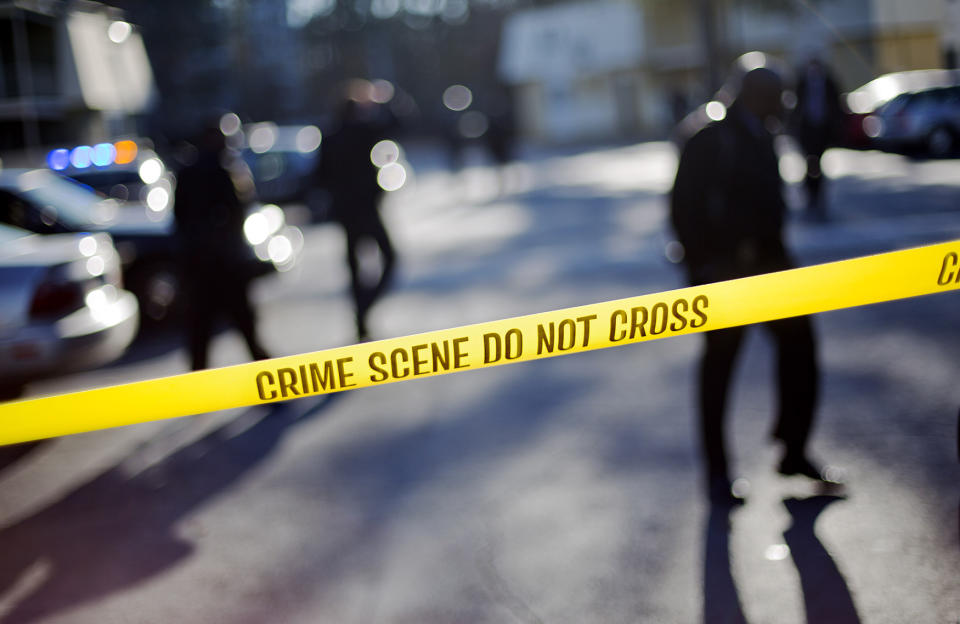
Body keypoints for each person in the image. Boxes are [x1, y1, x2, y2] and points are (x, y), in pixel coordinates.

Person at [670, 64, 835, 506]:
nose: (783, 104)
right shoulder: (711, 137)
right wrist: (702, 269)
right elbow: (683, 207)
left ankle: (793, 450)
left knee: (800, 348)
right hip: (724, 275)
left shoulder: (764, 132)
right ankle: (718, 473)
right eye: (776, 96)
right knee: (719, 370)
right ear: (752, 95)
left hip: (772, 268)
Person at [174, 123, 269, 370]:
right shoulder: (225, 169)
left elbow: (179, 218)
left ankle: (200, 388)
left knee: (200, 332)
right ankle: (268, 383)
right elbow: (239, 211)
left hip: (199, 266)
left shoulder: (187, 171)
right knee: (246, 327)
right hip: (226, 266)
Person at [314, 86, 398, 341]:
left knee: (355, 266)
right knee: (388, 257)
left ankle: (361, 313)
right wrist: (385, 99)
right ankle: (363, 308)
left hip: (346, 211)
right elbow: (395, 124)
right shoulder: (362, 132)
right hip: (365, 208)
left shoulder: (329, 137)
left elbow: (319, 175)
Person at [793, 57, 844, 221]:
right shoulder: (802, 82)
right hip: (807, 129)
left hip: (823, 128)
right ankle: (811, 197)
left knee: (817, 165)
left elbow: (837, 104)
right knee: (810, 163)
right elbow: (796, 106)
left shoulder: (828, 82)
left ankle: (818, 198)